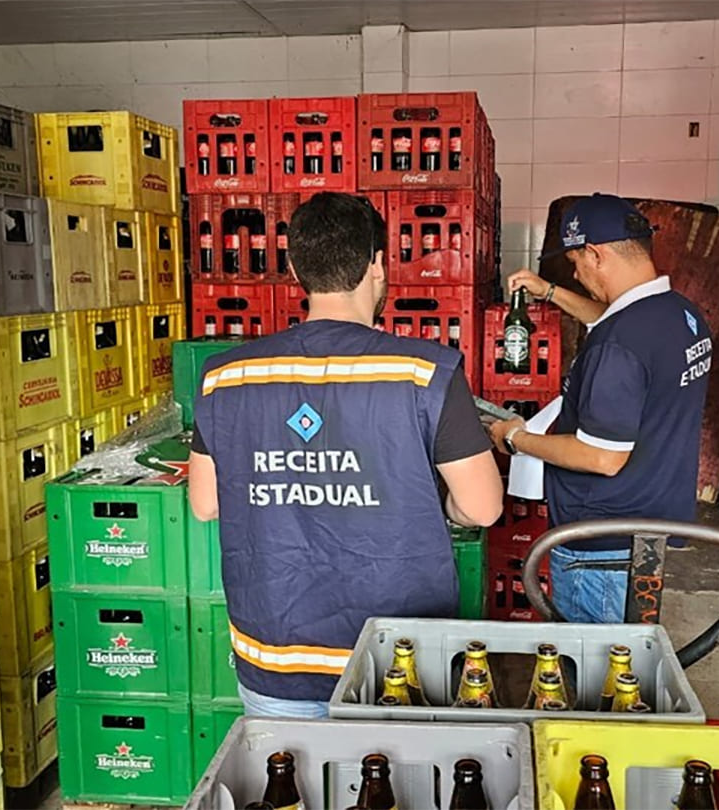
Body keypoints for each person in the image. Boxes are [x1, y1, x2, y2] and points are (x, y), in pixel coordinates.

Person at [187, 192, 504, 716]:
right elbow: (483, 507)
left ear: (295, 271)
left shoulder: (227, 376)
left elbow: (205, 503)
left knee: (288, 769)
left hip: (277, 651)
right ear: (377, 264)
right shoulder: (425, 372)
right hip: (396, 657)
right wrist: (440, 503)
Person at [487, 193, 713, 623]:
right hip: (649, 528)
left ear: (595, 254)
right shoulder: (679, 314)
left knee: (596, 660)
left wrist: (517, 438)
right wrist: (550, 292)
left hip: (600, 545)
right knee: (629, 650)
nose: (576, 274)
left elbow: (602, 457)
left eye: (576, 263)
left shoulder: (617, 347)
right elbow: (609, 317)